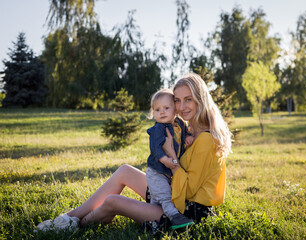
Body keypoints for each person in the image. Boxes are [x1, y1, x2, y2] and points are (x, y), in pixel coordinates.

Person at [35, 72, 232, 232]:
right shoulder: (189, 130)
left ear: (200, 99)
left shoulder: (206, 139)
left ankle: (76, 224)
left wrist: (171, 156)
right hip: (173, 194)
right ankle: (69, 217)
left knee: (112, 201)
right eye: (178, 100)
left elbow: (188, 190)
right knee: (125, 171)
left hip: (186, 211)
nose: (181, 107)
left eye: (188, 100)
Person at [146, 88, 194, 229]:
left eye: (166, 108)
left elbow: (184, 132)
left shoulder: (179, 123)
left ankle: (152, 221)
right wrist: (164, 159)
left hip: (167, 174)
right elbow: (155, 148)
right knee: (165, 196)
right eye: (157, 109)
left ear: (175, 110)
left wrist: (189, 136)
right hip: (157, 172)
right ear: (153, 112)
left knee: (156, 200)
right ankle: (175, 217)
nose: (162, 112)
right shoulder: (157, 129)